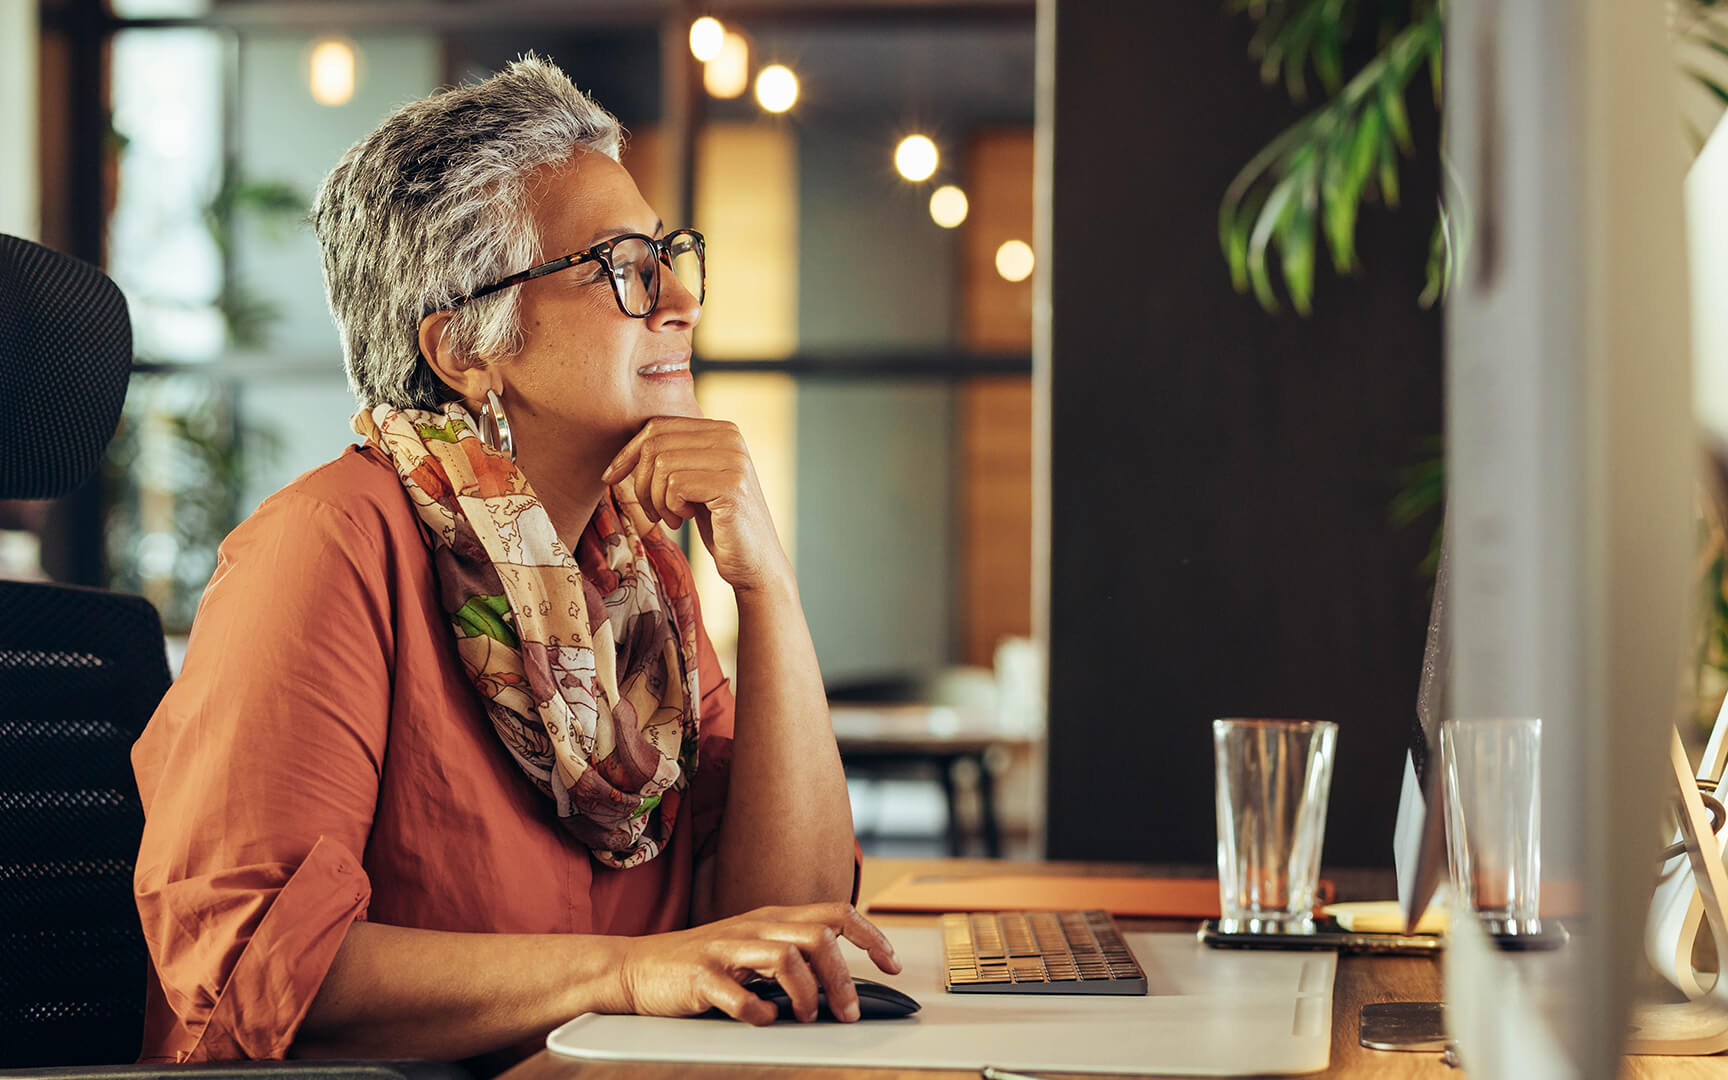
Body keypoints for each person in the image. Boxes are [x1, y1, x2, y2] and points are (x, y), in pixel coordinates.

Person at [130, 55, 895, 1072]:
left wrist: (769, 586)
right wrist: (626, 974)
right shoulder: (323, 547)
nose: (677, 298)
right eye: (620, 267)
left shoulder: (639, 584)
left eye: (668, 255)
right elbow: (253, 967)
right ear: (465, 348)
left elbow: (783, 929)